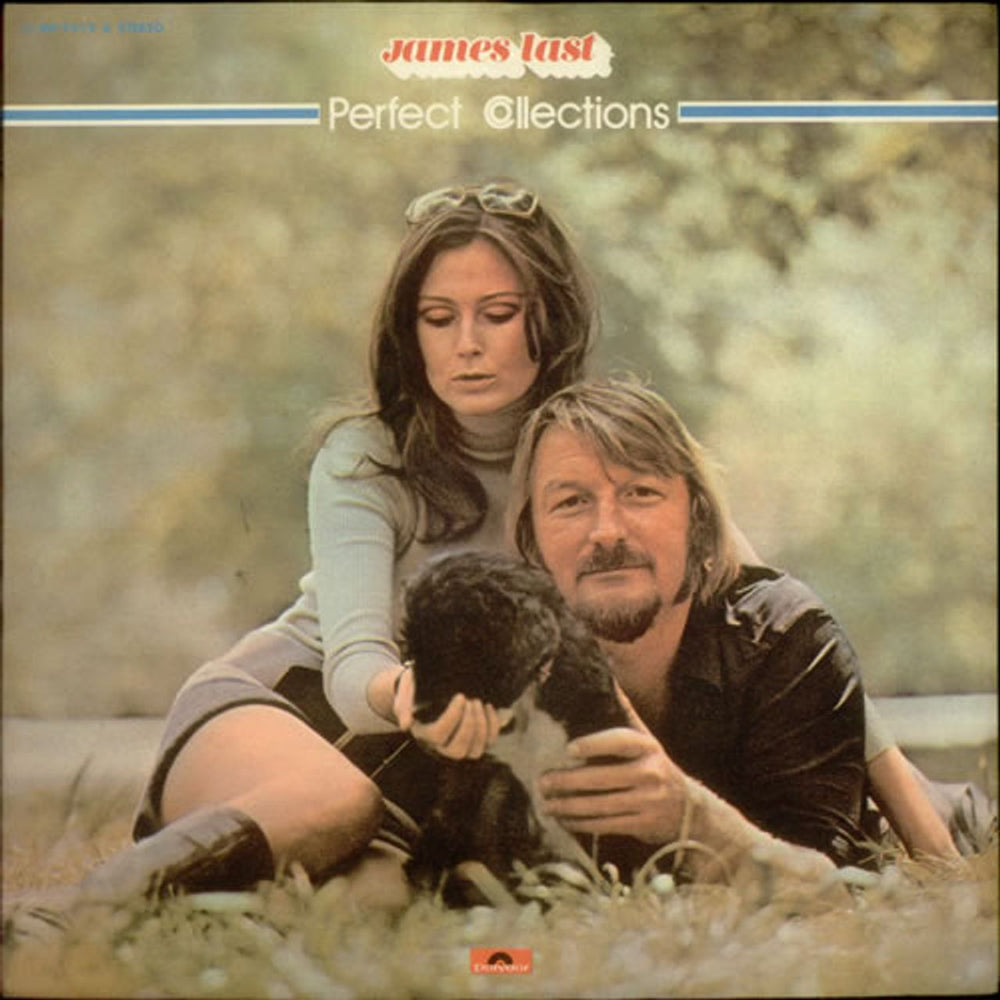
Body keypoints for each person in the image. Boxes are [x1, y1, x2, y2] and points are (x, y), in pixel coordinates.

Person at [18, 184, 956, 918]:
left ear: (548, 321)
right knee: (332, 807)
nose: (467, 345)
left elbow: (772, 612)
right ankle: (65, 919)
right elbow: (352, 667)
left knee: (384, 905)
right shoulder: (367, 457)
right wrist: (419, 700)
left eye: (497, 313)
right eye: (439, 318)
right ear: (410, 333)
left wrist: (932, 848)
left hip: (417, 757)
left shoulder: (589, 447)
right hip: (294, 707)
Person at [500, 376, 954, 881]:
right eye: (571, 502)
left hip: (948, 823)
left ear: (696, 519)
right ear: (533, 538)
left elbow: (833, 892)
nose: (607, 531)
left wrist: (692, 818)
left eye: (641, 492)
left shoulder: (785, 642)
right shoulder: (514, 668)